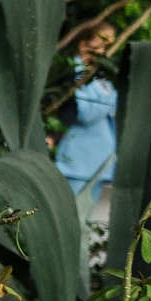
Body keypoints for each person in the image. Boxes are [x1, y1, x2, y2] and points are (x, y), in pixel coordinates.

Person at [56, 20, 120, 213]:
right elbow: (84, 112)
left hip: (97, 161)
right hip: (76, 160)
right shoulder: (70, 71)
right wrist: (108, 101)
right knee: (67, 215)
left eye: (110, 45)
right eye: (102, 43)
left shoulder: (101, 76)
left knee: (83, 219)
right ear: (83, 44)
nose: (105, 50)